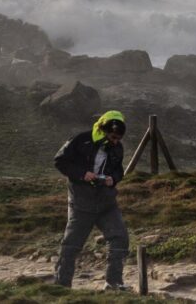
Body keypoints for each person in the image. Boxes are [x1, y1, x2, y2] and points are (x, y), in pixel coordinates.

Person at [54, 110, 129, 290]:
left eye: (118, 138)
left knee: (120, 239)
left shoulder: (118, 148)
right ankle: (61, 287)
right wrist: (82, 174)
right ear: (103, 129)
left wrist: (113, 179)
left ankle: (114, 283)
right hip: (81, 203)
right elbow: (60, 161)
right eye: (113, 137)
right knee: (71, 245)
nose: (115, 141)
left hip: (107, 203)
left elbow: (119, 170)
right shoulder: (81, 140)